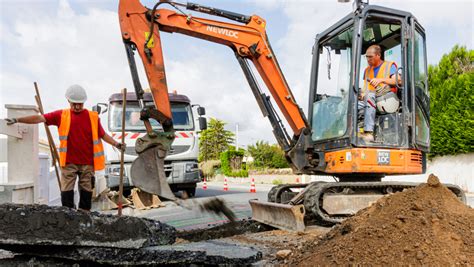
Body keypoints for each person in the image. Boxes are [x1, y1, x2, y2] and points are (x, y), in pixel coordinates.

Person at [5, 85, 125, 211]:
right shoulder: (61, 115)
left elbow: (103, 135)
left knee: (86, 193)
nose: (77, 107)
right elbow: (40, 118)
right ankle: (68, 217)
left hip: (88, 163)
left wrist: (116, 144)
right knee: (66, 193)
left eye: (80, 104)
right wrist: (17, 119)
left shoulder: (93, 117)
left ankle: (84, 218)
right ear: (68, 101)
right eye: (74, 104)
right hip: (69, 163)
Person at [358, 44, 399, 142]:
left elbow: (398, 81)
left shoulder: (389, 66)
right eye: (366, 57)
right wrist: (361, 95)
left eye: (370, 57)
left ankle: (369, 132)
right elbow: (365, 89)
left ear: (378, 55)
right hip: (370, 99)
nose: (368, 59)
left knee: (370, 96)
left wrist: (381, 80)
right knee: (351, 101)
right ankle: (354, 130)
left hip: (387, 98)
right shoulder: (367, 70)